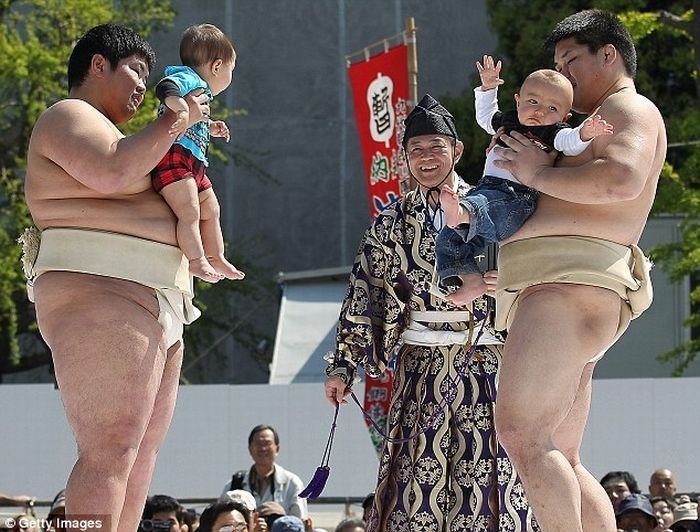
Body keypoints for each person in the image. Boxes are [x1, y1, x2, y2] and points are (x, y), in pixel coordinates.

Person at [22, 23, 209, 531]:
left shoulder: (134, 139)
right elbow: (110, 172)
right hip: (100, 285)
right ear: (98, 65)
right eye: (135, 70)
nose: (143, 87)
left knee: (138, 454)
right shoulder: (68, 116)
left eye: (149, 76)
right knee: (110, 447)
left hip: (161, 297)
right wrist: (173, 121)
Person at [324, 94, 537, 531]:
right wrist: (344, 366)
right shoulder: (390, 222)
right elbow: (366, 294)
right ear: (404, 159)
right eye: (416, 150)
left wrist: (502, 286)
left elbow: (530, 268)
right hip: (421, 366)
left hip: (487, 360)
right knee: (415, 481)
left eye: (436, 148)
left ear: (457, 151)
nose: (426, 158)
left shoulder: (493, 204)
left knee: (492, 473)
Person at [490, 9, 666, 531]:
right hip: (569, 283)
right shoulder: (585, 124)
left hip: (569, 282)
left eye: (571, 60)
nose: (563, 75)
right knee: (561, 453)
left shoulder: (628, 106)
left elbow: (620, 181)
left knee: (521, 433)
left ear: (607, 54)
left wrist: (538, 172)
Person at [435, 55, 612, 305]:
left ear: (565, 116)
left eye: (552, 108)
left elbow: (570, 144)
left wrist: (586, 132)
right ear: (517, 101)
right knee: (448, 238)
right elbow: (485, 117)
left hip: (514, 199)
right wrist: (488, 87)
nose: (540, 111)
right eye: (532, 101)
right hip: (486, 191)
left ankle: (462, 212)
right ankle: (470, 278)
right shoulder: (508, 121)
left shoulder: (554, 133)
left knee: (478, 207)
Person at [152, 23, 244, 283]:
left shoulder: (199, 89)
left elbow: (196, 119)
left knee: (211, 209)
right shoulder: (189, 78)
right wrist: (182, 112)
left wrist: (210, 125)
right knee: (190, 210)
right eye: (231, 69)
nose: (230, 76)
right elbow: (165, 88)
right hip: (173, 158)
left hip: (193, 163)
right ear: (217, 66)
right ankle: (197, 260)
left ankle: (216, 256)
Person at [220, 425, 307, 519]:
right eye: (258, 444)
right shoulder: (234, 485)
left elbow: (299, 523)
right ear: (250, 449)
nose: (263, 449)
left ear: (277, 449)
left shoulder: (292, 483)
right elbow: (221, 521)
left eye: (267, 443)